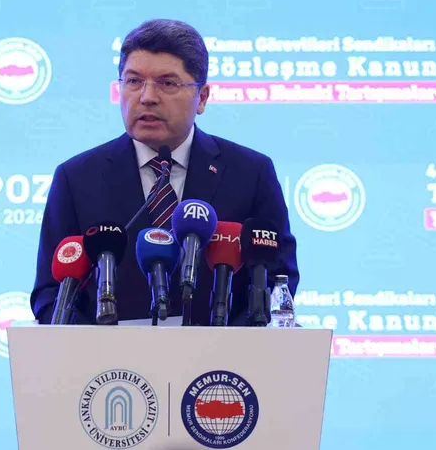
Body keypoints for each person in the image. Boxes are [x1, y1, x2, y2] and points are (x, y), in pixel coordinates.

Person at [29, 19, 299, 326]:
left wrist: (224, 345)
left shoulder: (251, 173)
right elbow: (50, 292)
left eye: (168, 83)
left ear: (202, 97)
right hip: (107, 356)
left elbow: (278, 279)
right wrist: (96, 348)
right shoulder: (76, 178)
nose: (147, 97)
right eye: (133, 81)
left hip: (222, 354)